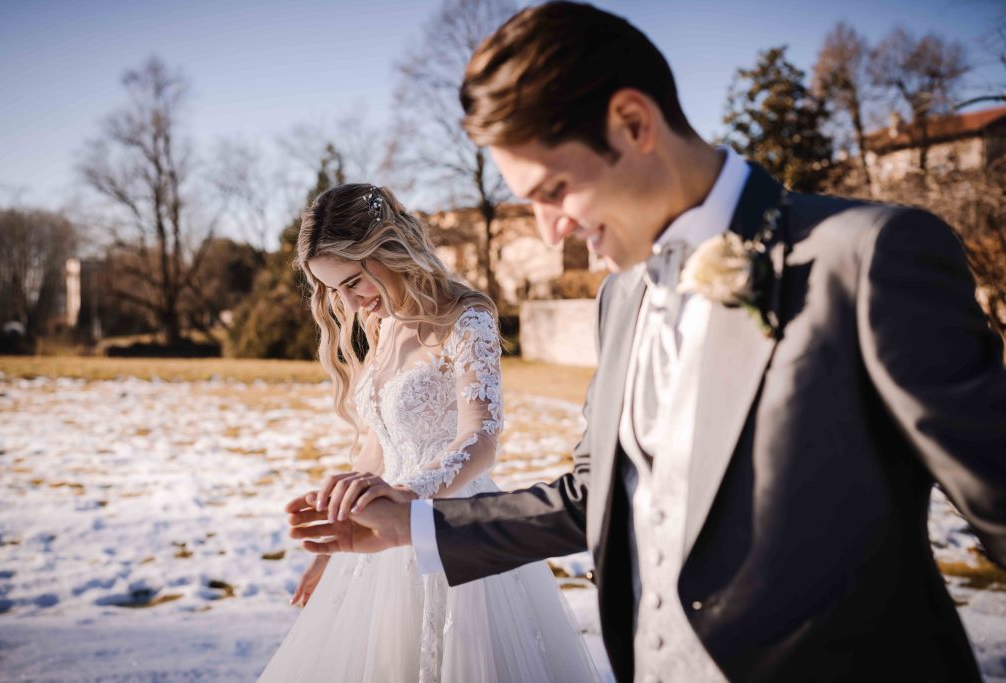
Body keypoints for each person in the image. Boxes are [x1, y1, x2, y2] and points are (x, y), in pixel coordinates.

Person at [287, 3, 1006, 681]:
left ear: (633, 122)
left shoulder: (871, 258)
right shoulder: (620, 297)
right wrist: (411, 525)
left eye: (555, 188)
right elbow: (593, 495)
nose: (548, 230)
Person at [259, 183, 599, 682]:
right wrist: (332, 543)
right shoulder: (383, 325)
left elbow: (480, 438)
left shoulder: (468, 318)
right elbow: (379, 446)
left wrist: (408, 499)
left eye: (354, 281)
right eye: (334, 290)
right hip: (381, 540)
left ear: (388, 250)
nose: (349, 301)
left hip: (454, 526)